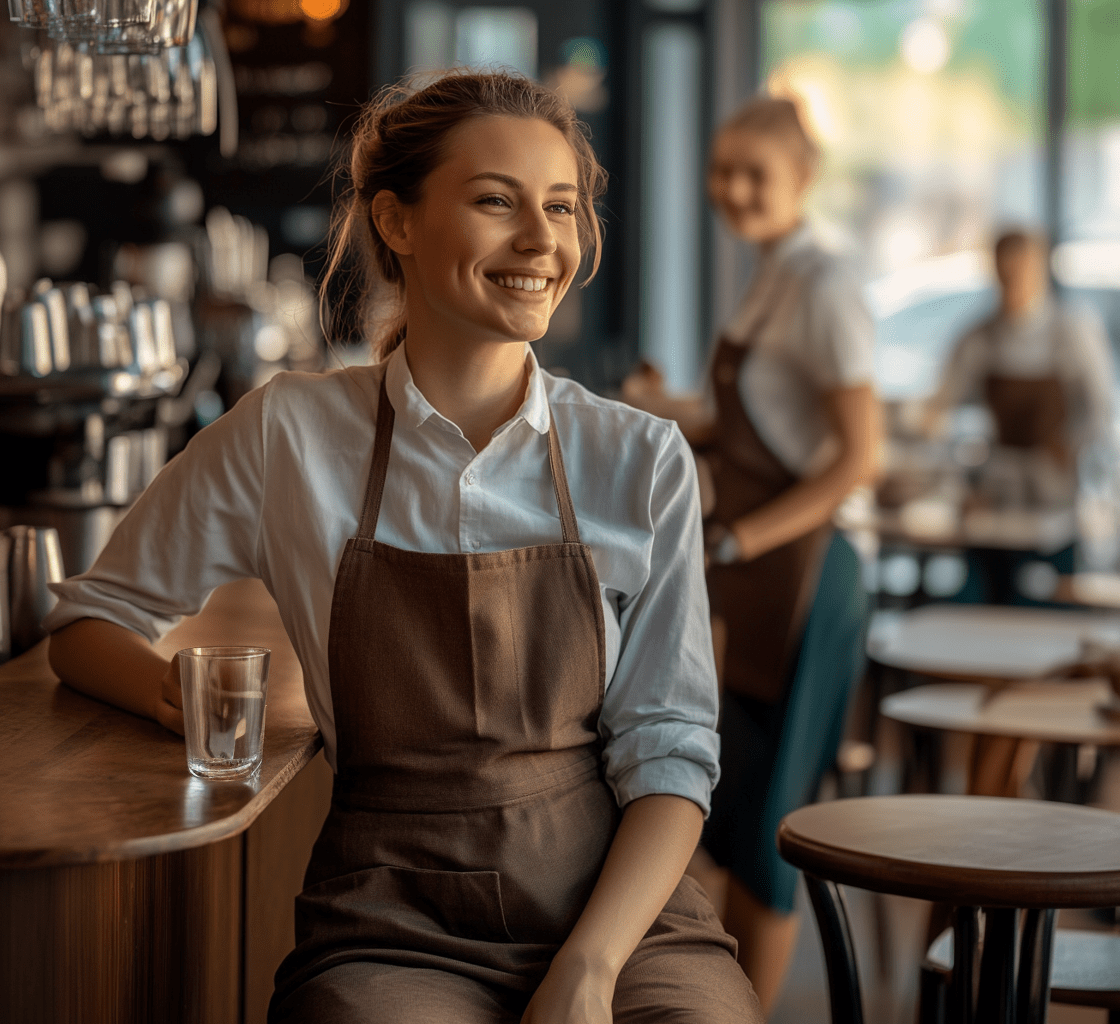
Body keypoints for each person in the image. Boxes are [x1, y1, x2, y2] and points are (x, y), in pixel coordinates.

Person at [44, 72, 762, 1024]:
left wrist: (589, 969)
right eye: (495, 201)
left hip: (619, 917)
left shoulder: (638, 458)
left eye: (561, 206)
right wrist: (170, 696)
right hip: (390, 923)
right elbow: (89, 619)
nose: (543, 240)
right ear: (396, 221)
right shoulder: (287, 435)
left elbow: (671, 750)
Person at [622, 95, 880, 1014]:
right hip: (753, 578)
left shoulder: (824, 285)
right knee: (727, 808)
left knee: (772, 821)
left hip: (807, 580)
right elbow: (762, 423)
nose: (732, 189)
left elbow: (858, 454)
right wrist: (673, 410)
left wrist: (737, 536)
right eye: (721, 170)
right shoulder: (770, 274)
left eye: (753, 173)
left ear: (802, 180)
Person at [923, 229, 1115, 603]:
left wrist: (1073, 449)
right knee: (990, 599)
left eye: (1022, 269)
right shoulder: (979, 337)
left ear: (1040, 269)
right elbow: (939, 416)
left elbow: (1099, 412)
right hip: (997, 496)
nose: (1014, 280)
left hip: (1058, 498)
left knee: (1054, 605)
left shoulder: (1072, 331)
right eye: (1005, 271)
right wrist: (963, 483)